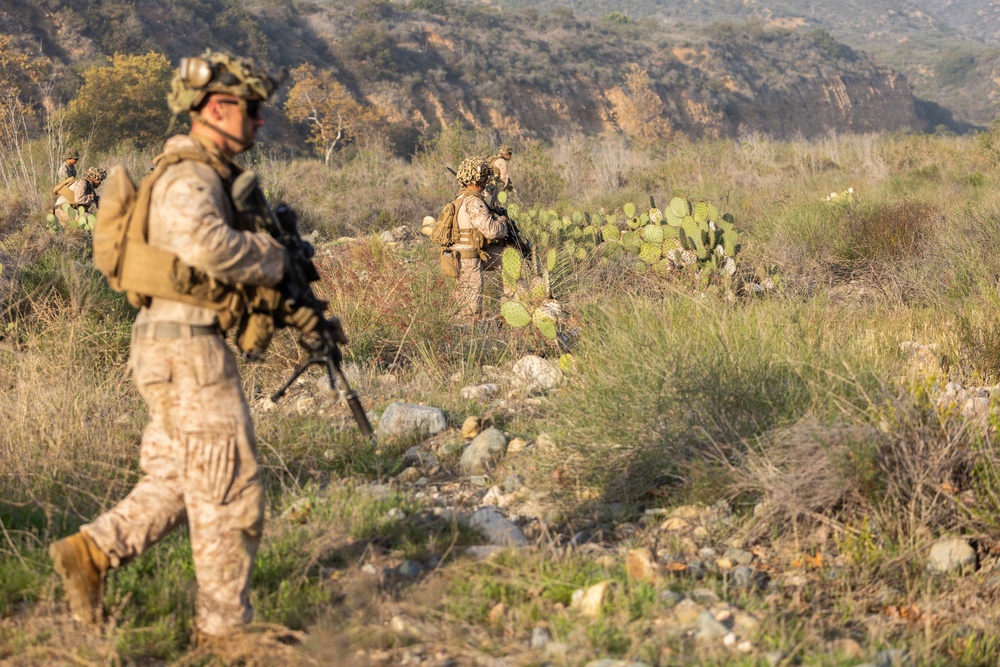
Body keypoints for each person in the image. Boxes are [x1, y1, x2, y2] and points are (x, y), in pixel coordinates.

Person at [48, 51, 291, 643]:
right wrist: (275, 257)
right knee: (230, 486)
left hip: (170, 345)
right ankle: (226, 632)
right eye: (251, 110)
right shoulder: (189, 176)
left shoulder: (200, 170)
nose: (259, 123)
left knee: (178, 479)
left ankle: (92, 553)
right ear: (217, 108)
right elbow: (209, 247)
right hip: (188, 350)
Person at [450, 155, 509, 321]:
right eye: (485, 177)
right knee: (470, 307)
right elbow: (491, 231)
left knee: (511, 260)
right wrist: (503, 222)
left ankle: (510, 307)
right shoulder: (473, 201)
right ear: (480, 179)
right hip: (468, 256)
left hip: (471, 253)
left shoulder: (461, 198)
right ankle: (466, 336)